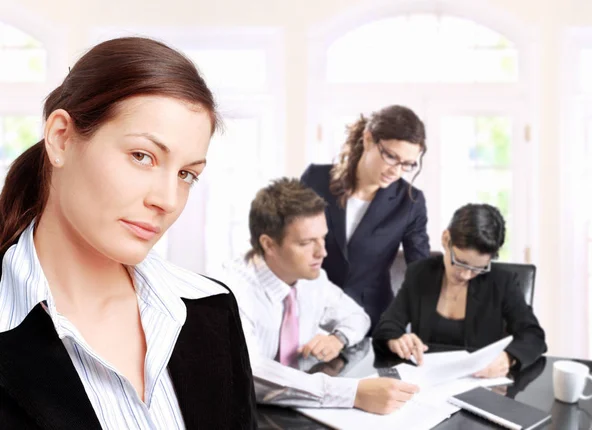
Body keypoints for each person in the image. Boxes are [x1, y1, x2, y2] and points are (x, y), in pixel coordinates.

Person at [0, 37, 256, 429]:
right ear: (61, 138)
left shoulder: (212, 309)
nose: (168, 200)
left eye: (187, 174)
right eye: (143, 156)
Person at [221, 178, 419, 415]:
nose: (322, 252)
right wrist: (352, 393)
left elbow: (358, 316)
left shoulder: (313, 280)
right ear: (268, 244)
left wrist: (338, 338)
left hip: (300, 409)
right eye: (306, 243)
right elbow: (251, 372)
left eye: (322, 238)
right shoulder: (230, 291)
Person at [372, 204, 547, 377]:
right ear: (446, 239)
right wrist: (396, 339)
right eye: (461, 262)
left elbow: (533, 335)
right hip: (428, 382)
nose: (466, 274)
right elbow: (388, 324)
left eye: (478, 268)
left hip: (479, 385)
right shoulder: (420, 273)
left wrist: (508, 358)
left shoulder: (501, 283)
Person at [301, 105, 430, 330]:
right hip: (309, 315)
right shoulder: (315, 179)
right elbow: (286, 243)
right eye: (391, 156)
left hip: (371, 320)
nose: (396, 171)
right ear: (368, 139)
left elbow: (420, 273)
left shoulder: (410, 203)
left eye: (407, 164)